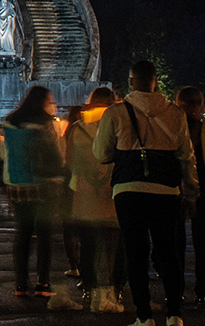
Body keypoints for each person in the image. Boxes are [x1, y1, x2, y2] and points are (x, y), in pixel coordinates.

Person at [94, 59, 194, 326]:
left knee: (135, 252)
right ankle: (174, 313)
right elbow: (186, 156)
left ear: (130, 81)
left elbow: (102, 154)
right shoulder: (175, 114)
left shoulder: (115, 113)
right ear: (156, 81)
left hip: (129, 189)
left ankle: (144, 315)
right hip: (166, 190)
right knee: (168, 251)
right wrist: (192, 191)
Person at [52, 86, 122, 313]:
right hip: (111, 192)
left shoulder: (77, 129)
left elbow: (70, 161)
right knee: (115, 245)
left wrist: (90, 180)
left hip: (84, 193)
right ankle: (113, 290)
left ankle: (90, 289)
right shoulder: (118, 124)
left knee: (89, 245)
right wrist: (106, 181)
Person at [1, 85, 67, 298]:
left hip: (18, 185)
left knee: (23, 235)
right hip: (43, 184)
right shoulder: (44, 124)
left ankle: (20, 284)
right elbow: (54, 154)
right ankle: (43, 283)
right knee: (45, 235)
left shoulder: (10, 123)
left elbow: (6, 154)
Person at [174, 86, 205, 306]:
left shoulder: (171, 129)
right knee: (201, 241)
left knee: (176, 242)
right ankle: (201, 291)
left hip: (175, 189)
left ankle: (176, 290)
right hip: (200, 189)